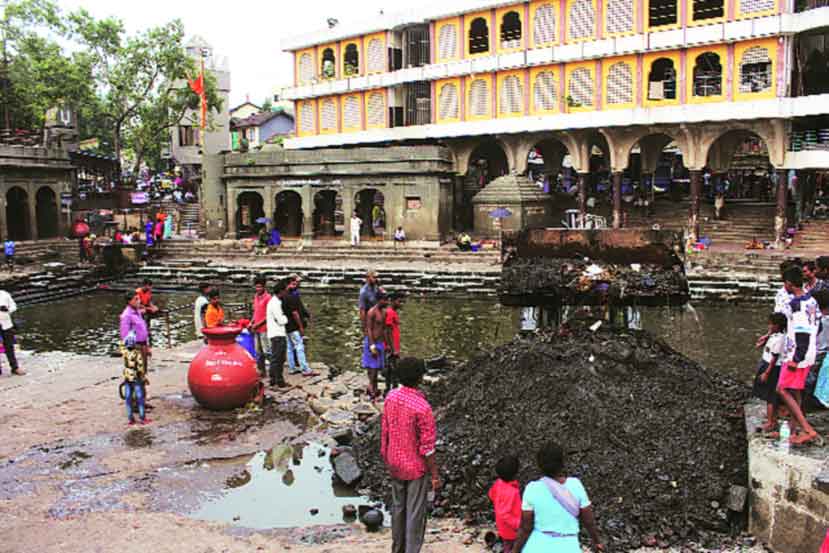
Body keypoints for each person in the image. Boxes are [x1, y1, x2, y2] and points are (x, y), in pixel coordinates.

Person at [380, 357, 440, 553]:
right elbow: (427, 448)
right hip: (415, 467)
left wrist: (386, 456)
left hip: (394, 461)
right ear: (420, 378)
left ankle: (397, 548)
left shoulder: (390, 397)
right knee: (415, 514)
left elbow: (385, 430)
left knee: (398, 509)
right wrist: (435, 474)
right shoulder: (423, 408)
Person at [513, 442, 603, 553]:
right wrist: (596, 541)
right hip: (568, 546)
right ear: (562, 463)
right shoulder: (576, 485)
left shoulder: (532, 489)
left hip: (537, 546)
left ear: (539, 465)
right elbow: (588, 521)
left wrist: (515, 551)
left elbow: (525, 528)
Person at [777, 267, 821, 446]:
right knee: (795, 390)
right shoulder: (811, 299)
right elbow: (819, 327)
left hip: (797, 353)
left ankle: (807, 429)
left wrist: (796, 357)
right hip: (808, 352)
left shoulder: (797, 304)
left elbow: (802, 332)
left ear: (788, 283)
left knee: (782, 389)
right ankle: (793, 430)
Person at [752, 312, 788, 433]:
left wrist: (767, 372)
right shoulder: (774, 335)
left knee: (770, 396)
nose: (769, 326)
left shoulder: (780, 339)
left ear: (777, 326)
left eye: (771, 324)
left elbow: (774, 358)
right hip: (766, 363)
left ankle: (771, 421)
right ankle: (772, 420)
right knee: (768, 395)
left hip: (772, 368)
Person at [282, 284, 318, 377]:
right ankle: (305, 369)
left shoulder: (282, 297)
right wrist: (300, 327)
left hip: (286, 326)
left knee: (289, 347)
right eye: (293, 283)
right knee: (299, 346)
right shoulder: (292, 297)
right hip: (293, 326)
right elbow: (295, 313)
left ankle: (292, 368)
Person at [489, 455, 522, 553]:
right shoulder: (512, 492)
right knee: (512, 547)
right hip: (511, 531)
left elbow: (491, 494)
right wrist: (519, 524)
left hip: (502, 526)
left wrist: (498, 501)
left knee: (507, 544)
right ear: (515, 473)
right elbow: (504, 514)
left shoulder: (498, 483)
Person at [363, 291, 389, 401]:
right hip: (372, 342)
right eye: (385, 300)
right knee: (372, 368)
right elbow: (368, 329)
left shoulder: (384, 312)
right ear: (379, 300)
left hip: (380, 342)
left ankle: (375, 387)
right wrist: (372, 345)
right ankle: (371, 388)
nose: (387, 302)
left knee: (378, 367)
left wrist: (386, 344)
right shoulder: (371, 312)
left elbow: (384, 329)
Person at [120, 291, 149, 383]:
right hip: (135, 346)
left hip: (143, 344)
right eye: (136, 299)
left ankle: (142, 392)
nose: (139, 301)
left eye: (139, 298)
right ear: (129, 301)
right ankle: (135, 393)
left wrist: (147, 346)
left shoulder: (137, 312)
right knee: (136, 370)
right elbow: (125, 335)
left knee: (143, 370)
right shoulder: (127, 315)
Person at [266, 279, 291, 388]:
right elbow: (281, 320)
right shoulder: (275, 304)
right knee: (278, 358)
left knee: (276, 357)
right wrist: (286, 318)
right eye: (285, 291)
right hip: (277, 334)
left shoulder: (274, 302)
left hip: (275, 333)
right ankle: (278, 380)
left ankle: (274, 379)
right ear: (281, 291)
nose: (286, 293)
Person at [121, 331, 149, 426]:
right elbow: (140, 368)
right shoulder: (137, 354)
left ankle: (131, 419)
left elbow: (121, 344)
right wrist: (144, 378)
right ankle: (142, 418)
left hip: (127, 377)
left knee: (128, 399)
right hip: (136, 378)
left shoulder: (124, 352)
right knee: (140, 398)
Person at [250, 276, 272, 376]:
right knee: (258, 352)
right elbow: (255, 312)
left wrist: (258, 324)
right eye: (256, 287)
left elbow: (268, 316)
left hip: (264, 329)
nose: (258, 289)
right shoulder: (255, 296)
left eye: (260, 287)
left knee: (267, 351)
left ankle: (274, 371)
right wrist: (251, 322)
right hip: (256, 329)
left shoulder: (268, 298)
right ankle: (261, 371)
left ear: (264, 287)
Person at [0, 288, 23, 375]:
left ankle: (15, 367)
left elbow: (14, 306)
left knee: (9, 346)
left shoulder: (4, 294)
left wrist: (7, 310)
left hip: (6, 324)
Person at [384, 292, 403, 395]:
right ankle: (392, 390)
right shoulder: (390, 312)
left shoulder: (392, 312)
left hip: (393, 345)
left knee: (391, 369)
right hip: (392, 347)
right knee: (394, 369)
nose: (401, 304)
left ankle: (389, 389)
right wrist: (392, 348)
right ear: (392, 301)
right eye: (399, 301)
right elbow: (387, 330)